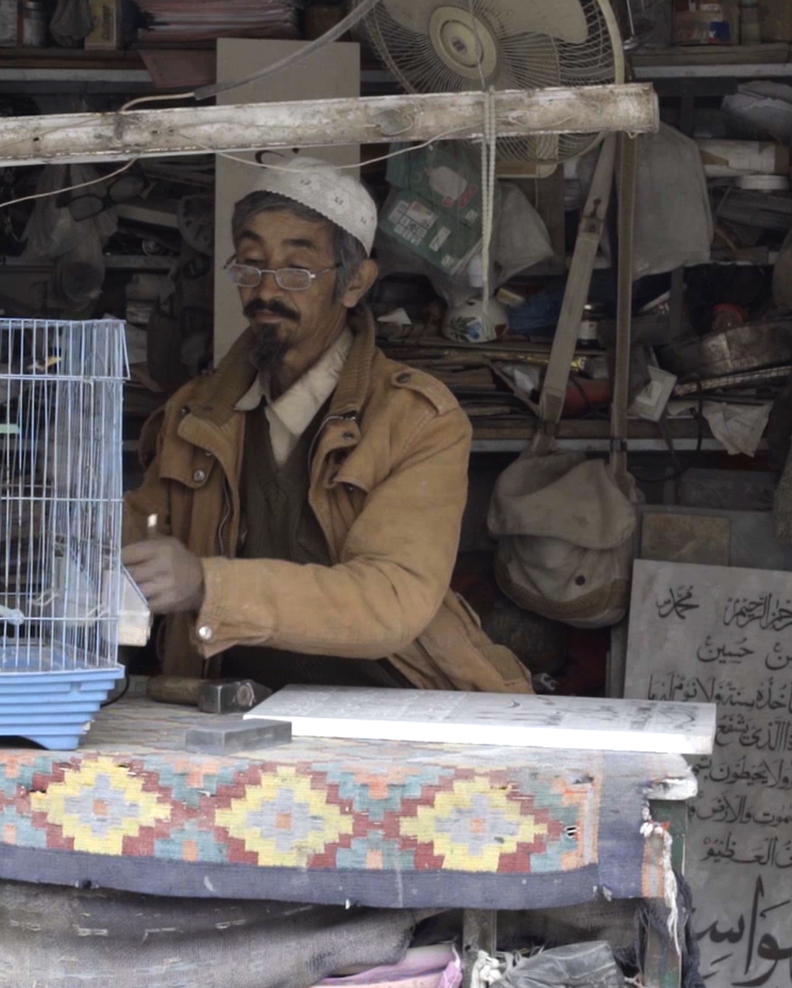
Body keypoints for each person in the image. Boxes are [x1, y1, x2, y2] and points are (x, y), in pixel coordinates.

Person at [121, 156, 530, 693]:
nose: (265, 292)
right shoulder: (196, 414)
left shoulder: (418, 419)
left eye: (296, 271)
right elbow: (139, 536)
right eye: (251, 265)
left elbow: (389, 599)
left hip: (401, 704)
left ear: (355, 282)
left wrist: (207, 584)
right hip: (238, 705)